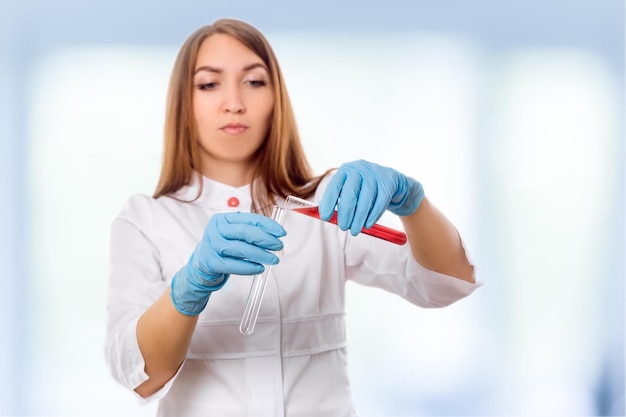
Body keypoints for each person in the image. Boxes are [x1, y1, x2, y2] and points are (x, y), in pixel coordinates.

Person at [104, 17, 479, 417]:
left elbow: (447, 285)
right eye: (209, 84)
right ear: (184, 103)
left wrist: (412, 203)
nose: (234, 102)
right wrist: (188, 288)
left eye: (254, 81)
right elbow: (141, 374)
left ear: (276, 98)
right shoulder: (146, 220)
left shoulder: (326, 203)